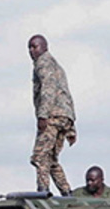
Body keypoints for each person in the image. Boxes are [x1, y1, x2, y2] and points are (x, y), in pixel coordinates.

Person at [28, 34, 76, 195]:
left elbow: (48, 88)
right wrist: (70, 127)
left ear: (44, 47)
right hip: (64, 116)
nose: (32, 51)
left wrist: (43, 115)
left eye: (35, 46)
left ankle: (43, 190)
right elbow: (65, 93)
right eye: (30, 47)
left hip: (52, 116)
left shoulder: (43, 63)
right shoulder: (56, 65)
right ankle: (67, 192)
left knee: (40, 156)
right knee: (52, 159)